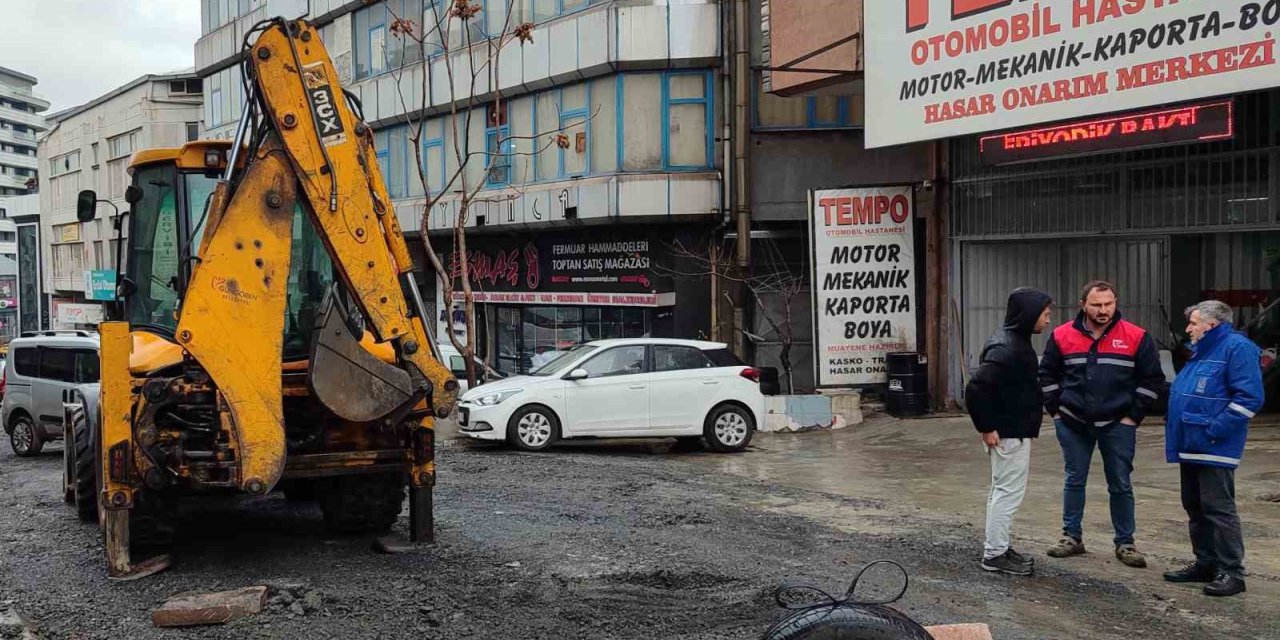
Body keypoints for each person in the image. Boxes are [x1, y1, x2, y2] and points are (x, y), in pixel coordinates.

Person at [1039, 281, 1165, 568]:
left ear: (1116, 303)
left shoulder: (1136, 336)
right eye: (1097, 305)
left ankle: (1126, 542)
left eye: (1109, 304)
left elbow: (1152, 380)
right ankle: (1072, 537)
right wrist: (1056, 412)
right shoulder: (1061, 336)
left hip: (1118, 423)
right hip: (1072, 421)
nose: (1103, 310)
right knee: (1074, 479)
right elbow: (1046, 376)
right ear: (1083, 304)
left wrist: (1132, 416)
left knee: (1120, 482)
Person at [1162, 301, 1261, 597]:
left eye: (1193, 323)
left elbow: (1249, 398)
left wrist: (1214, 430)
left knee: (1218, 509)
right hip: (1191, 443)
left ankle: (1232, 571)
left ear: (1212, 325)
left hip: (1212, 446)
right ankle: (1206, 562)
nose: (1188, 329)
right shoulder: (1202, 351)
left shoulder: (1236, 348)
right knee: (1195, 506)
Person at [965, 287, 1053, 576]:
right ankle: (995, 554)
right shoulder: (1008, 349)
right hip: (1009, 433)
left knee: (1001, 492)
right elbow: (976, 388)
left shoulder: (1013, 340)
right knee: (1007, 494)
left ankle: (998, 547)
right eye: (1045, 314)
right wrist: (986, 426)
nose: (1048, 319)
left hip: (1010, 430)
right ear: (1029, 314)